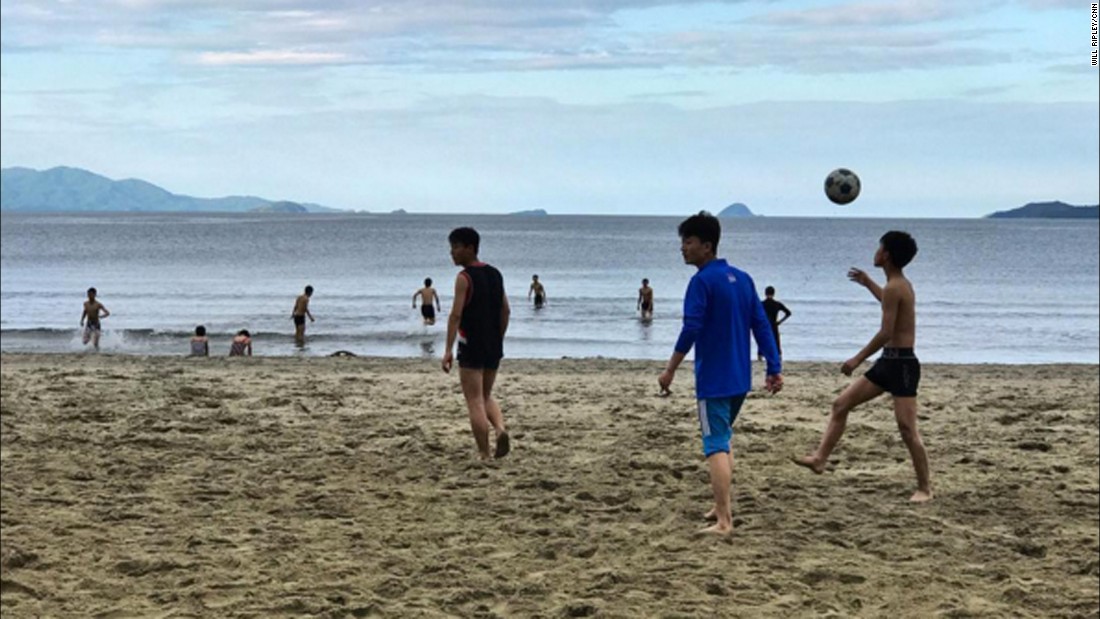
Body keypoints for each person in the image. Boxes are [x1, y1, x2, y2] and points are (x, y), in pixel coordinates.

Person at [658, 212, 783, 536]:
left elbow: (692, 328)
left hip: (714, 379)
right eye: (682, 242)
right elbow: (762, 326)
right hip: (740, 379)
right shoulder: (742, 279)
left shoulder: (701, 282)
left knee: (715, 444)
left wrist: (670, 369)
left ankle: (724, 520)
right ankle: (719, 503)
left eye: (688, 242)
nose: (683, 248)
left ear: (707, 246)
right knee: (724, 439)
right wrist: (773, 367)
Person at [794, 231, 932, 503]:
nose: (876, 251)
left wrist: (857, 359)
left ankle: (925, 488)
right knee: (841, 405)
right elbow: (889, 305)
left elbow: (885, 331)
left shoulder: (897, 286)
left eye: (880, 247)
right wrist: (868, 283)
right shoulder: (896, 285)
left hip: (902, 364)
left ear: (887, 255)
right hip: (888, 363)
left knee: (907, 429)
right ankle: (820, 459)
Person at [442, 227, 512, 461]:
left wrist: (448, 350)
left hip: (471, 344)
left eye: (455, 248)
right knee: (486, 395)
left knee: (474, 400)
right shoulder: (495, 273)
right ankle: (500, 428)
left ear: (469, 248)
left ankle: (484, 453)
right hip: (493, 344)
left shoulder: (464, 278)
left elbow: (455, 315)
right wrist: (498, 338)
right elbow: (505, 310)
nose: (452, 253)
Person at [761, 286, 792, 359]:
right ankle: (779, 357)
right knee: (776, 342)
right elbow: (788, 313)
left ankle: (760, 357)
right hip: (774, 324)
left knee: (763, 341)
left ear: (765, 294)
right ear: (773, 294)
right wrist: (780, 321)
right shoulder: (777, 304)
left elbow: (755, 313)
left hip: (765, 325)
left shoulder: (762, 304)